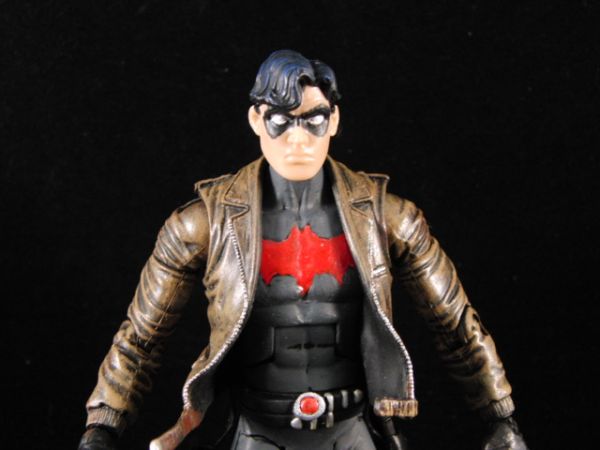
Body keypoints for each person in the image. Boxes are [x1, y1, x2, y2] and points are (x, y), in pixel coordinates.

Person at [79, 50, 528, 450]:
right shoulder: (204, 225)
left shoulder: (388, 218)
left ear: (334, 120)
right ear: (256, 120)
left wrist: (500, 416)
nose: (298, 139)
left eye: (313, 120)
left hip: (352, 429)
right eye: (281, 120)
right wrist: (103, 426)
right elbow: (142, 337)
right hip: (256, 431)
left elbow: (454, 323)